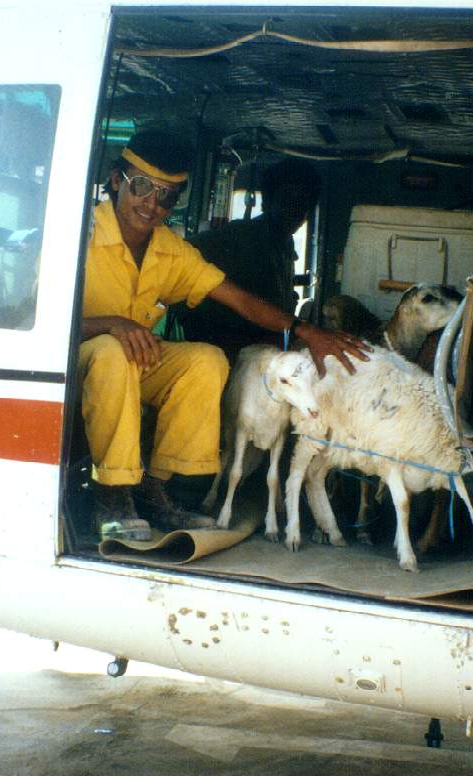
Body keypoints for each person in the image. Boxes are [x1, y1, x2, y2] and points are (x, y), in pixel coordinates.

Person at [79, 130, 367, 540]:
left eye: (167, 195)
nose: (152, 204)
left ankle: (155, 490)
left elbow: (239, 299)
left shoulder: (169, 250)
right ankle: (111, 495)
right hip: (73, 361)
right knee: (111, 351)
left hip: (130, 362)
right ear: (116, 180)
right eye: (141, 186)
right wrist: (112, 323)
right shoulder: (80, 233)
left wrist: (306, 330)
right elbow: (32, 316)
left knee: (206, 360)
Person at [175, 158, 322, 359]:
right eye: (287, 200)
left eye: (302, 203)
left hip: (265, 349)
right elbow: (179, 257)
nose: (294, 210)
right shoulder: (238, 236)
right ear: (266, 201)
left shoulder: (284, 246)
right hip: (227, 349)